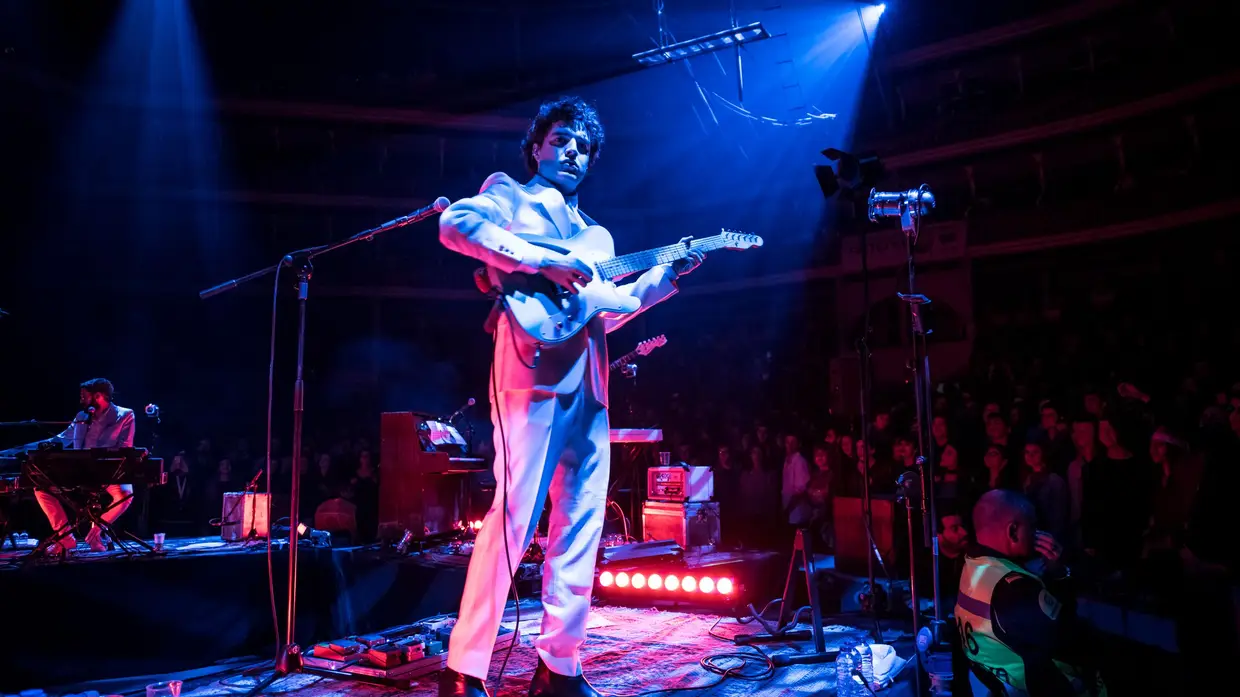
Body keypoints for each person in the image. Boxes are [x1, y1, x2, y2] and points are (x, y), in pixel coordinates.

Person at [437, 96, 705, 697]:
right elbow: (455, 225)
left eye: (582, 147)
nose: (572, 153)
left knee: (581, 526)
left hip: (591, 385)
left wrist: (663, 279)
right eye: (561, 141)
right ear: (537, 146)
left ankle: (559, 667)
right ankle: (464, 669)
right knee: (511, 521)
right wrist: (542, 261)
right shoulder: (510, 194)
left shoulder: (599, 236)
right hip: (529, 375)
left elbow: (601, 314)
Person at [955, 490, 1106, 696]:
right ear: (1013, 531)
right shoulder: (1014, 588)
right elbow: (1074, 638)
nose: (1038, 534)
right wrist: (1061, 574)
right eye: (1034, 527)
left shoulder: (971, 565)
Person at [34, 378, 136, 554]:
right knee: (40, 488)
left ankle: (96, 532)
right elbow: (62, 439)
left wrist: (100, 457)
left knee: (126, 495)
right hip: (79, 471)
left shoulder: (125, 415)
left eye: (84, 396)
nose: (81, 400)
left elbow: (125, 448)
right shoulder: (82, 416)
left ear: (98, 396)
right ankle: (65, 538)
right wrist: (25, 448)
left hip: (108, 472)